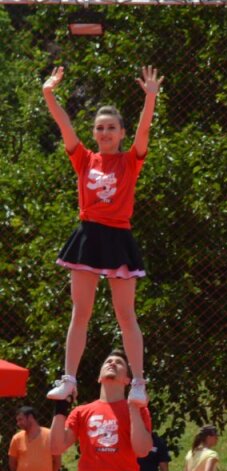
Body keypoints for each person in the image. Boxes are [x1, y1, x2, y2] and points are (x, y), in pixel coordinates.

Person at [42, 65, 162, 406]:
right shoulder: (84, 159)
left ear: (121, 132)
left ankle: (138, 382)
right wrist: (48, 93)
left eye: (111, 127)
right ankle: (69, 380)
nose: (105, 132)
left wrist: (150, 98)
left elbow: (144, 133)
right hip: (88, 238)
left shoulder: (129, 161)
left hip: (119, 238)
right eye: (99, 128)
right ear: (94, 133)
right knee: (81, 312)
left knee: (126, 314)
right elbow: (65, 124)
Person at [9, 406, 61, 471]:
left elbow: (57, 463)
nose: (18, 423)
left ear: (30, 417)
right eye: (17, 421)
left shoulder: (50, 435)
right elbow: (12, 464)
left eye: (20, 419)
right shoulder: (16, 438)